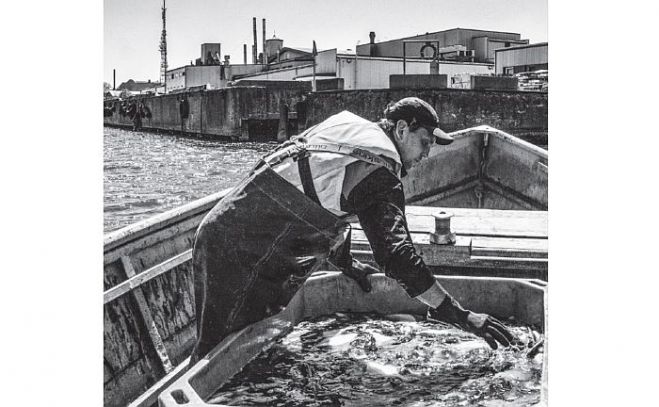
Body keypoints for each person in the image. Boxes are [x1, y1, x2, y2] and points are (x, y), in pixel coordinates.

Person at [190, 97, 515, 364]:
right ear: (402, 129)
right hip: (243, 256)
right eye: (425, 142)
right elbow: (396, 256)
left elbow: (321, 196)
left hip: (225, 232)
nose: (426, 155)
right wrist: (457, 314)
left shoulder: (349, 130)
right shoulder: (380, 167)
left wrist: (347, 263)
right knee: (222, 360)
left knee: (245, 354)